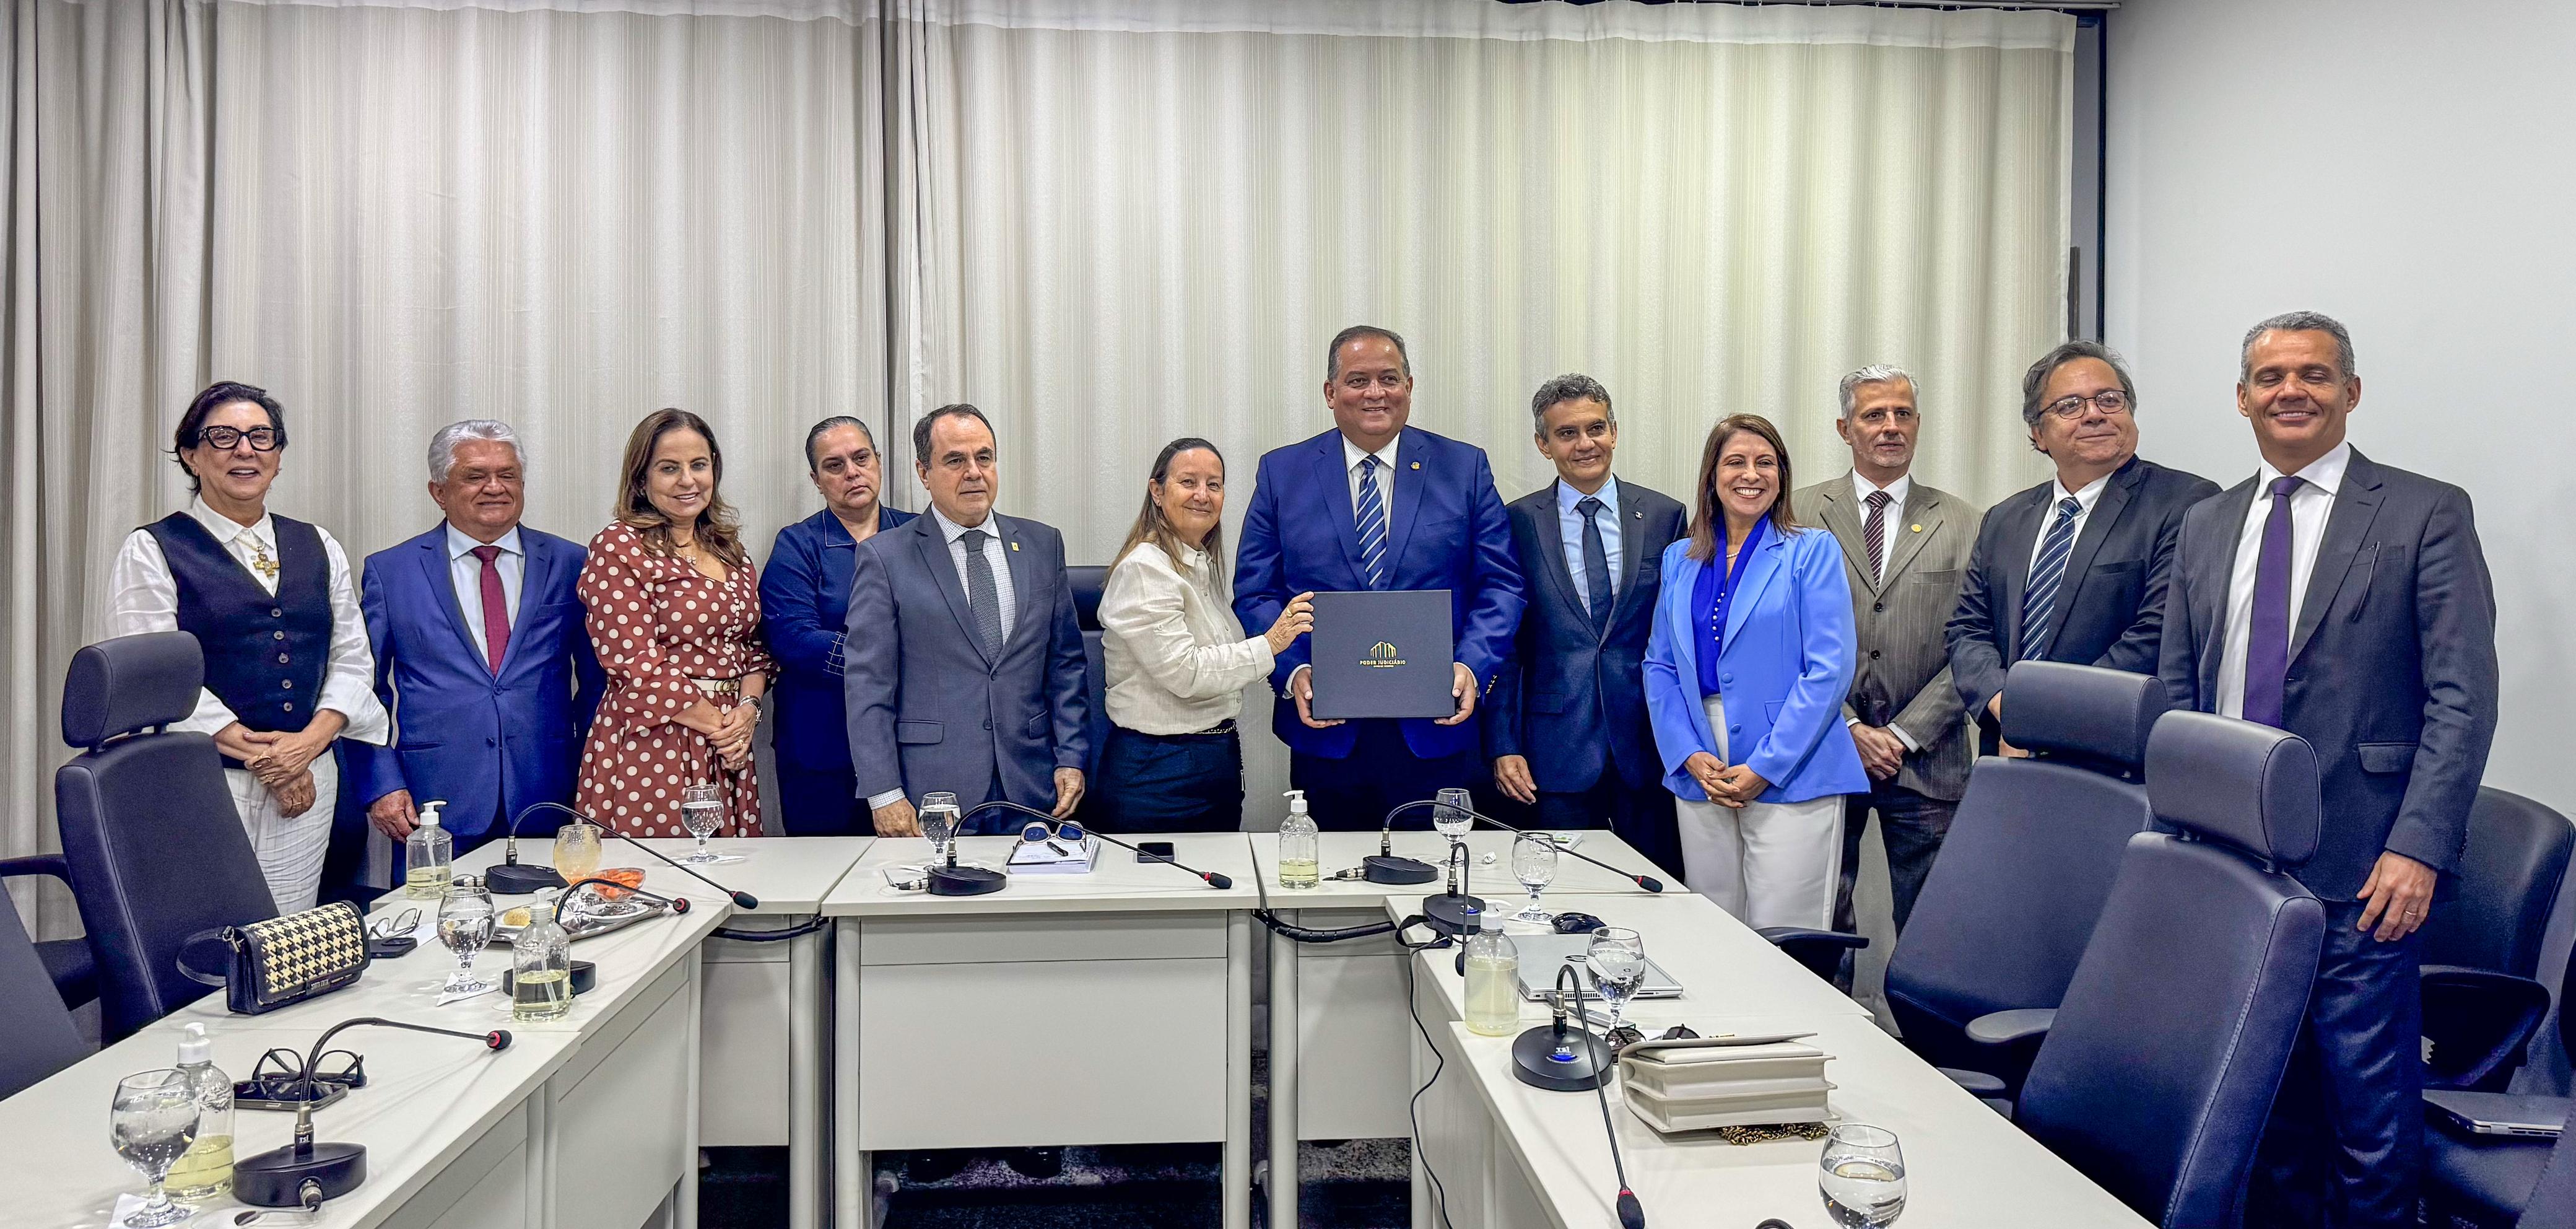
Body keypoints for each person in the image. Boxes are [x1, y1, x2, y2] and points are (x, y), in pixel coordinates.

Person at [2158, 312, 2496, 1228]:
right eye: (2270, 377)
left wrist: (2420, 848)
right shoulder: (2205, 523)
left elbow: (2463, 699)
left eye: (2313, 374)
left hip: (2365, 866)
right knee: (2261, 1109)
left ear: (2352, 392)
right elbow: (2181, 695)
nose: (2290, 391)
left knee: (2366, 1120)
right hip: (2228, 863)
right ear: (2241, 399)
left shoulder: (2425, 511)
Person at [107, 381, 390, 913]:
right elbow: (158, 678)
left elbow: (353, 657)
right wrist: (272, 762)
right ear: (191, 456)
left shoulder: (318, 544)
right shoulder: (153, 549)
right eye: (224, 436)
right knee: (209, 945)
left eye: (261, 437)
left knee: (288, 933)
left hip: (311, 772)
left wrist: (306, 748)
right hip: (205, 780)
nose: (245, 450)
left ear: (278, 457)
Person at [1234, 325, 1526, 830]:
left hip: (1437, 727)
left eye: (1389, 379)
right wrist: (1295, 673)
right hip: (1326, 731)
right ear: (1330, 392)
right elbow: (1256, 591)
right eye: (1358, 380)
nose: (1375, 393)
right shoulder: (1283, 473)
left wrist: (1472, 666)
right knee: (1327, 892)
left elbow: (1502, 584)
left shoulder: (1464, 467)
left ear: (1409, 386)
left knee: (1436, 889)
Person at [1643, 414, 1867, 928]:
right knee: (1714, 929)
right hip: (1702, 765)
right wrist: (1687, 754)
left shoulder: (1811, 551)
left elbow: (1829, 670)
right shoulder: (1680, 558)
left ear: (1782, 476)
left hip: (1792, 762)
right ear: (1712, 477)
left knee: (1785, 936)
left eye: (1765, 462)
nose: (1751, 474)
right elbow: (1659, 664)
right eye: (1736, 462)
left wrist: (1767, 765)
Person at [1790, 366, 1980, 963]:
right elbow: (1781, 639)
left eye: (1903, 414)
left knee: (1934, 934)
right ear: (1845, 428)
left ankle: (1927, 1056)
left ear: (1919, 426)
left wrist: (1900, 735)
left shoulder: (1968, 522)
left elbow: (1977, 643)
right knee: (1821, 921)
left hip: (1930, 761)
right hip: (1821, 750)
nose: (1890, 427)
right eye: (1875, 415)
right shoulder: (1795, 514)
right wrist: (1848, 726)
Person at [348, 421, 606, 860]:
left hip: (550, 793)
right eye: (475, 476)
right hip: (434, 805)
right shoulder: (392, 572)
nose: (495, 488)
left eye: (507, 475)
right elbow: (364, 690)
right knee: (433, 925)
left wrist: (593, 773)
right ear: (439, 491)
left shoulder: (572, 563)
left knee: (548, 921)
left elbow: (599, 682)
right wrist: (382, 785)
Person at [1946, 340, 2220, 753]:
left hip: (2114, 757)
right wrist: (2009, 710)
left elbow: (2156, 635)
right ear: (2038, 434)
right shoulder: (2005, 518)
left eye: (2110, 400)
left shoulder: (2187, 503)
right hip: (2008, 749)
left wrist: (2048, 720)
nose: (2095, 414)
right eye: (2071, 405)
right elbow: (1969, 629)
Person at [843, 403, 1091, 837]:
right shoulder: (885, 557)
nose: (974, 472)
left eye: (984, 457)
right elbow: (868, 686)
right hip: (933, 794)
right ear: (924, 472)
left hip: (1034, 786)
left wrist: (1072, 757)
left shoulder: (1042, 545)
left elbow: (1065, 665)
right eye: (955, 460)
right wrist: (884, 794)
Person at [1485, 374, 1689, 878]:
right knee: (1559, 896)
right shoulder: (1515, 523)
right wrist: (1503, 744)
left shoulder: (1666, 517)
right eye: (1567, 433)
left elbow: (1679, 640)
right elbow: (1506, 647)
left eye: (1595, 428)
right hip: (1553, 754)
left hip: (1647, 748)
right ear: (1543, 444)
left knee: (1658, 895)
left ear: (1614, 431)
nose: (1585, 444)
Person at [1093, 439, 1313, 832]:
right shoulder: (1145, 568)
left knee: (1216, 890)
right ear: (1157, 492)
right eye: (1188, 482)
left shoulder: (1200, 566)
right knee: (1157, 893)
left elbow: (1221, 660)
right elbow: (1187, 673)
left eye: (1214, 484)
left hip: (1217, 761)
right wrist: (1273, 642)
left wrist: (1299, 674)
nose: (1203, 495)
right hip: (1155, 773)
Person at [573, 409, 774, 838]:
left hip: (729, 742)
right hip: (655, 741)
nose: (688, 481)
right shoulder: (619, 546)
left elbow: (756, 649)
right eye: (669, 468)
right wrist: (721, 729)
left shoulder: (730, 550)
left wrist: (748, 712)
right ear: (641, 479)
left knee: (730, 883)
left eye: (699, 465)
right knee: (657, 885)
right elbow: (633, 663)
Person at [760, 416, 917, 836]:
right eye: (835, 465)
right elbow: (794, 639)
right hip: (823, 747)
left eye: (861, 458)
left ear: (879, 462)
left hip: (913, 743)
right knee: (825, 882)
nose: (852, 472)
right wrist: (899, 659)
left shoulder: (922, 534)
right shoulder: (797, 544)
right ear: (816, 479)